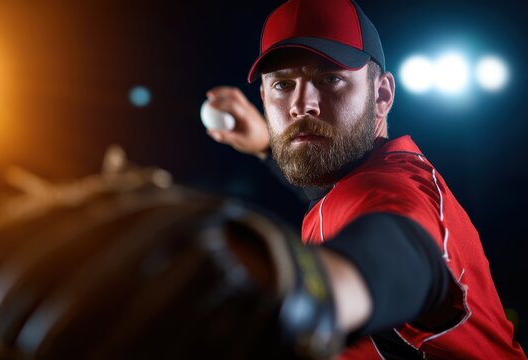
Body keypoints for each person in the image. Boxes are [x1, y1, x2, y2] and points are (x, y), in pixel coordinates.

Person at [205, 0, 526, 358]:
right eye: (282, 85)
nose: (301, 105)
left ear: (382, 95)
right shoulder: (346, 178)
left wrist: (308, 296)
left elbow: (401, 248)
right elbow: (327, 194)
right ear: (263, 98)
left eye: (330, 79)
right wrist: (266, 143)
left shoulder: (394, 187)